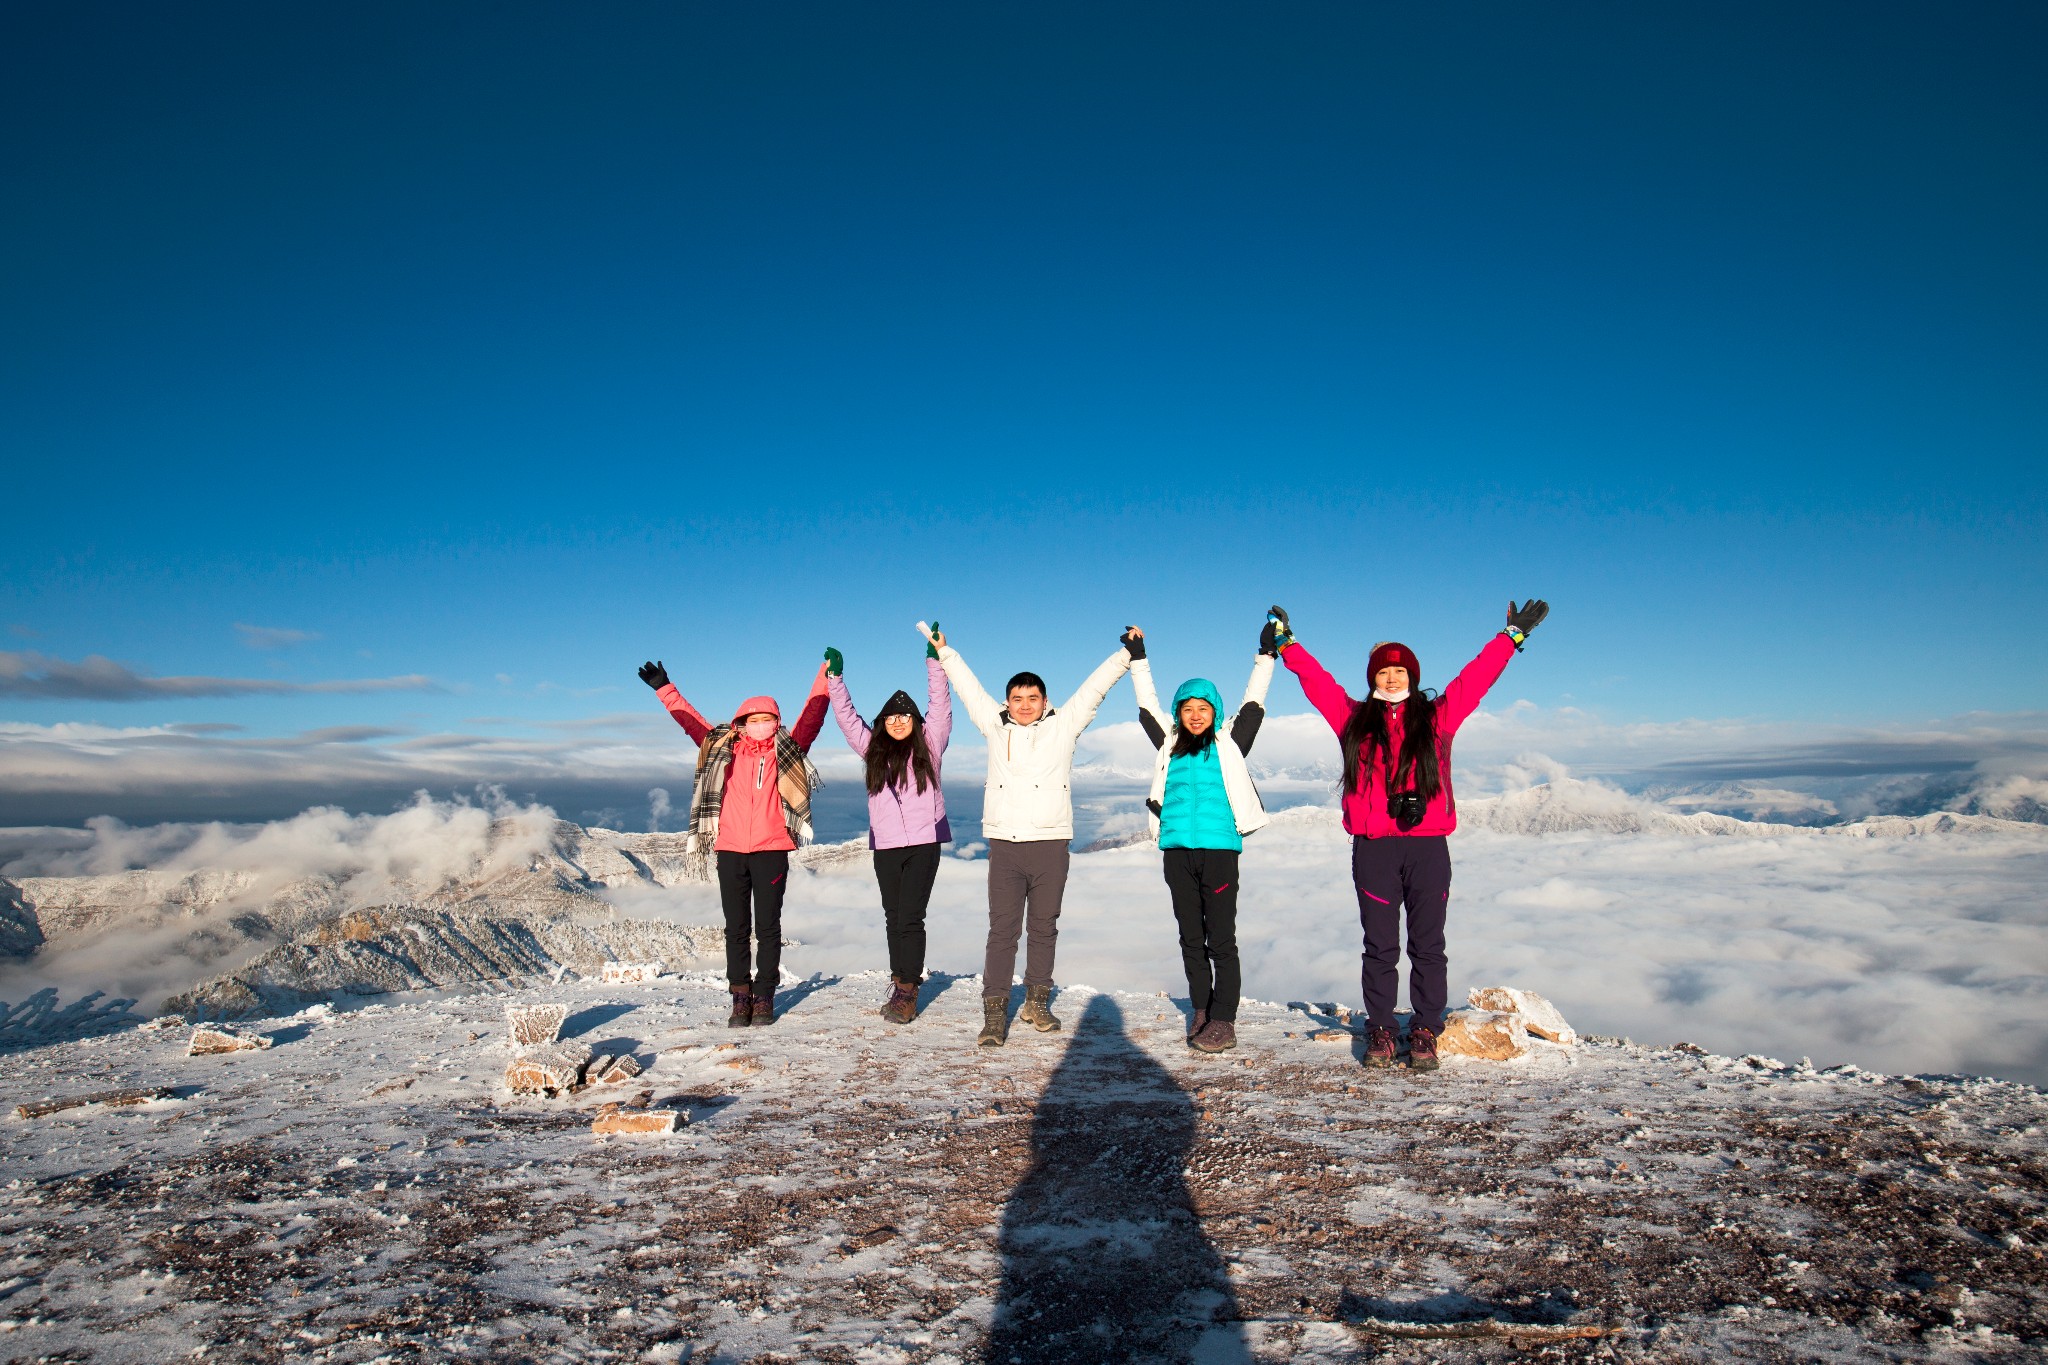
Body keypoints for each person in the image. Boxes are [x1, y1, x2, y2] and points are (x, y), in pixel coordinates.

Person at [1270, 599, 1550, 1071]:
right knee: (1379, 945)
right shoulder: (1353, 720)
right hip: (1374, 848)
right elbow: (1318, 685)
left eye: (1400, 670)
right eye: (1383, 671)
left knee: (1428, 944)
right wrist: (1288, 646)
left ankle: (1425, 1028)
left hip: (1427, 848)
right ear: (1372, 678)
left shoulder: (1437, 717)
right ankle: (1380, 1028)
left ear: (1413, 676)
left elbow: (1475, 679)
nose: (1392, 677)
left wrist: (1511, 637)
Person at [930, 622, 1137, 1047]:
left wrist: (1125, 655)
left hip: (1051, 843)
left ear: (1046, 701)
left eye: (1033, 698)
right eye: (1017, 698)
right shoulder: (994, 725)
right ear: (1007, 702)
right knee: (1002, 930)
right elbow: (969, 689)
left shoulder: (1065, 725)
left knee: (1044, 927)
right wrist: (945, 654)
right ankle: (994, 1011)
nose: (1025, 705)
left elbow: (1093, 689)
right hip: (1005, 844)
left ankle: (1036, 1002)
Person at [637, 656, 829, 1027]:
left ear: (777, 723)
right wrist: (664, 687)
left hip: (772, 849)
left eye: (767, 719)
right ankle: (740, 997)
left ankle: (765, 996)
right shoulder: (723, 746)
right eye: (753, 720)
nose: (760, 726)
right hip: (730, 849)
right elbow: (689, 720)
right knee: (736, 927)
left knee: (768, 927)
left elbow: (813, 715)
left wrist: (826, 675)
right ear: (741, 723)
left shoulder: (788, 748)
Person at [1128, 625, 1273, 1054]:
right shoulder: (1169, 742)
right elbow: (1145, 706)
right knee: (1190, 936)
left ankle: (1224, 1018)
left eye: (1203, 707)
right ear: (1179, 712)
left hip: (1220, 851)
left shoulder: (1229, 743)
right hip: (1176, 851)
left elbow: (1253, 705)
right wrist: (1139, 656)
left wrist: (1266, 653)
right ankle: (1201, 1009)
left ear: (1214, 712)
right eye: (1187, 708)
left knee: (1221, 938)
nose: (1195, 714)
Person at [823, 625, 954, 1024]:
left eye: (906, 716)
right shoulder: (872, 750)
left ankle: (907, 990)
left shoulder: (931, 745)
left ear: (916, 722)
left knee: (911, 916)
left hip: (924, 842)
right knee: (892, 915)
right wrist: (835, 680)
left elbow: (940, 704)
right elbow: (847, 720)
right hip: (886, 844)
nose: (899, 721)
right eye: (892, 717)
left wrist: (935, 660)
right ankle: (900, 979)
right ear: (883, 722)